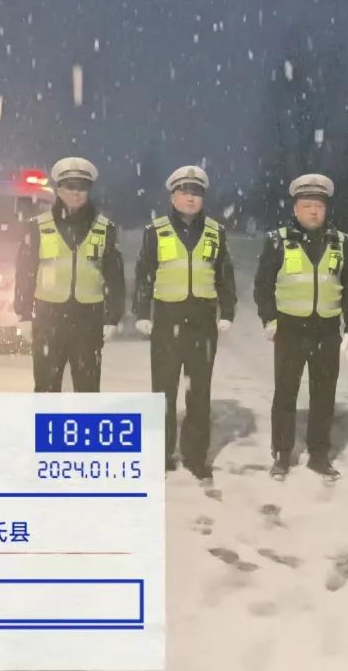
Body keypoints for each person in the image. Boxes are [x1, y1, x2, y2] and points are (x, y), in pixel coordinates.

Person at [253, 173, 348, 480]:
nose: (313, 211)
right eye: (307, 205)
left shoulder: (340, 242)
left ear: (325, 209)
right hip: (289, 331)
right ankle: (282, 454)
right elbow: (263, 284)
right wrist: (269, 319)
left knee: (324, 396)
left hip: (326, 331)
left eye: (318, 206)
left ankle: (318, 455)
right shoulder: (278, 240)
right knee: (285, 394)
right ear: (296, 209)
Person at [133, 165, 237, 480]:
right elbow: (144, 274)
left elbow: (224, 276)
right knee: (163, 392)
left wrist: (227, 312)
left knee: (199, 393)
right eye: (185, 192)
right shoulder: (155, 230)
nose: (191, 198)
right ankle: (161, 454)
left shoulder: (216, 232)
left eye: (196, 193)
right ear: (173, 196)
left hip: (203, 324)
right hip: (167, 321)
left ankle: (196, 457)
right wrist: (142, 313)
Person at [14, 157, 125, 392]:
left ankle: (85, 420)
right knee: (46, 388)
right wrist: (23, 313)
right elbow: (25, 272)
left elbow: (115, 278)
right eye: (70, 186)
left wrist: (113, 316)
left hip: (88, 321)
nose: (76, 193)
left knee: (88, 389)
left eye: (82, 187)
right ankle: (47, 419)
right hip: (48, 319)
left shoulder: (105, 229)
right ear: (59, 189)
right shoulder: (37, 227)